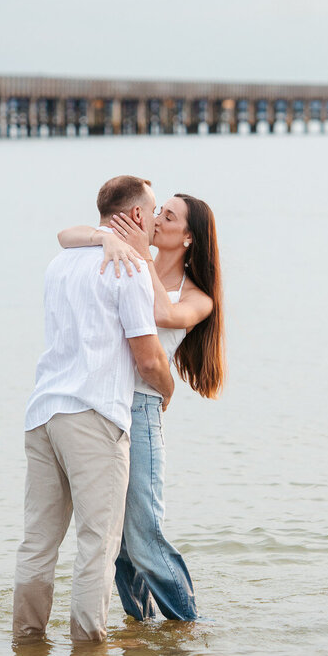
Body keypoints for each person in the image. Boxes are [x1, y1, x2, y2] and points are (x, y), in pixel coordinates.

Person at [14, 175, 175, 643]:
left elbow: (67, 236)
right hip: (94, 416)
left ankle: (26, 643)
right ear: (139, 216)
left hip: (43, 414)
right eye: (154, 210)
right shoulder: (129, 266)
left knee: (38, 541)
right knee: (97, 544)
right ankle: (89, 655)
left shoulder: (60, 262)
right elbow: (147, 358)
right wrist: (167, 389)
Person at [57, 192, 224, 622]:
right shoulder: (131, 257)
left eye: (168, 217)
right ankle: (143, 625)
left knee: (144, 537)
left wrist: (135, 254)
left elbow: (162, 314)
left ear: (188, 237)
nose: (155, 219)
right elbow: (65, 235)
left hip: (142, 410)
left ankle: (188, 624)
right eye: (159, 211)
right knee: (118, 545)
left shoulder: (198, 296)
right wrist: (105, 238)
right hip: (104, 405)